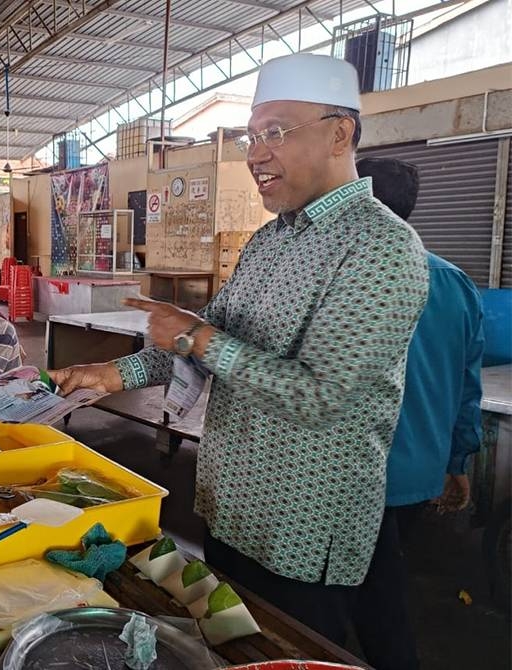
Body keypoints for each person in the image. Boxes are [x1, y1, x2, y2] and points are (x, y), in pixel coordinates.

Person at [51, 53, 428, 645]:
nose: (254, 154)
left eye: (275, 133)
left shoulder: (381, 246)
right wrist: (112, 374)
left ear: (340, 133)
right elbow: (200, 344)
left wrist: (199, 337)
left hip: (301, 529)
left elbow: (319, 397)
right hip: (232, 509)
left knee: (284, 649)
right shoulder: (268, 241)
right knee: (227, 646)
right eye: (251, 137)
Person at [349, 157, 484, 670]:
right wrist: (457, 462)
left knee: (357, 597)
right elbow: (466, 385)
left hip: (357, 472)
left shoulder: (357, 279)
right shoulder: (456, 284)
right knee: (381, 580)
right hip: (419, 471)